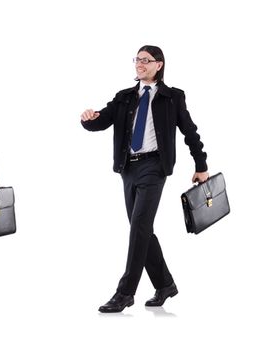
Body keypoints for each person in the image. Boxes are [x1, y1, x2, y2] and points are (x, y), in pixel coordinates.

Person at [80, 45, 209, 313]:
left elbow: (190, 132)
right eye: (137, 59)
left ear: (159, 65)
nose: (139, 64)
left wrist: (201, 164)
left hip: (154, 166)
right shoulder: (125, 96)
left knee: (138, 225)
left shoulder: (172, 97)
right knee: (142, 229)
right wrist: (88, 119)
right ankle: (165, 285)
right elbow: (101, 121)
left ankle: (125, 292)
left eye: (145, 60)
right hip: (128, 168)